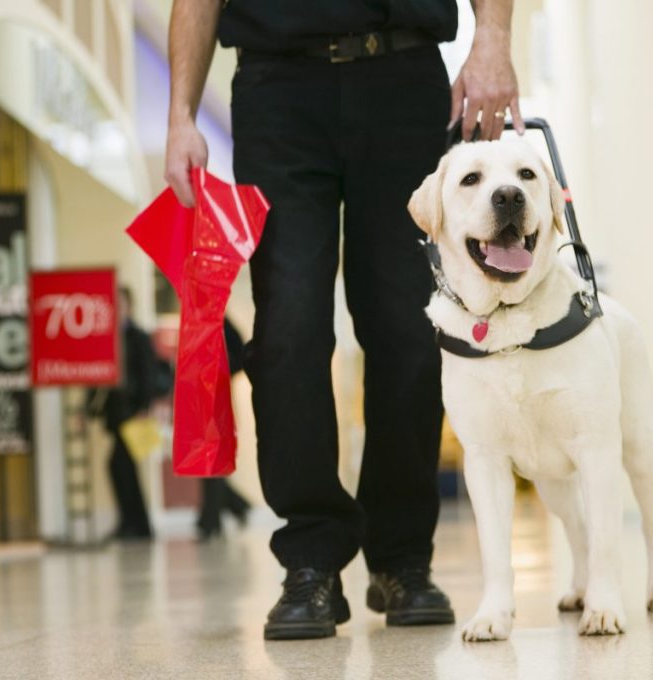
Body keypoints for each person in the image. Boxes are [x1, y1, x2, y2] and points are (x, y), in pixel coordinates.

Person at [165, 0, 523, 640]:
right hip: (277, 89)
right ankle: (311, 558)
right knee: (289, 329)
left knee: (409, 331)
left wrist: (492, 40)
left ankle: (402, 559)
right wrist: (180, 115)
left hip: (405, 78)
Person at [90, 286, 158, 541]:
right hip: (116, 414)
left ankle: (137, 525)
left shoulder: (139, 337)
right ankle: (133, 524)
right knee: (121, 468)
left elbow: (148, 375)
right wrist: (89, 410)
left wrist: (144, 407)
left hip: (133, 413)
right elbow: (97, 377)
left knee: (121, 465)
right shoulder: (107, 337)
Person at [196, 318, 252, 542]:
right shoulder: (195, 327)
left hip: (219, 400)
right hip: (198, 401)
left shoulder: (226, 327)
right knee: (205, 463)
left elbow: (241, 357)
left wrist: (220, 368)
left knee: (212, 463)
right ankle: (236, 507)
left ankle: (211, 521)